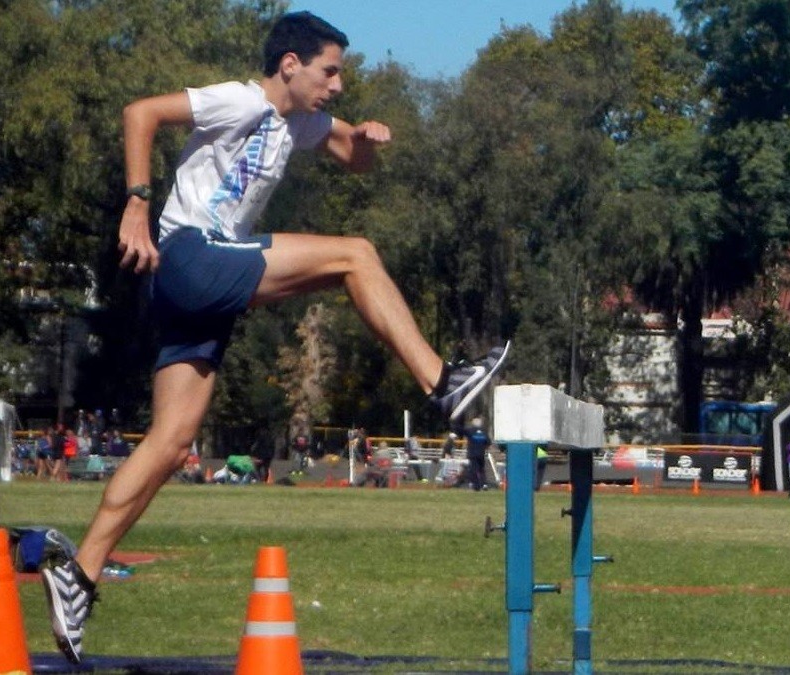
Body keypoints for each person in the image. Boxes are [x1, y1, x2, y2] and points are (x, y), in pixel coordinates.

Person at [41, 11, 510, 664]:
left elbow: (352, 155)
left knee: (173, 440)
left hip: (193, 290)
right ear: (290, 65)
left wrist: (368, 141)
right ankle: (443, 381)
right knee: (356, 255)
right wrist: (138, 202)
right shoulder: (238, 99)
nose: (338, 85)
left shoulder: (303, 122)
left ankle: (80, 575)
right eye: (330, 71)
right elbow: (139, 112)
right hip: (191, 255)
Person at [464, 417, 490, 492]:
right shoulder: (484, 432)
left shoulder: (470, 431)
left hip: (472, 454)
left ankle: (476, 486)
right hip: (481, 453)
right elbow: (488, 442)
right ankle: (484, 484)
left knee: (473, 470)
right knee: (481, 469)